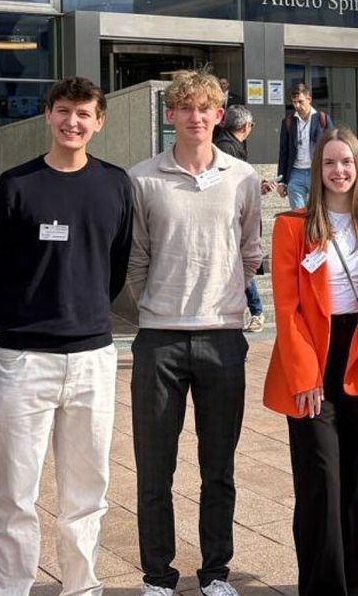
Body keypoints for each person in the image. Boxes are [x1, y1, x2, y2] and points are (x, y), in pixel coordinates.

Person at [0, 76, 134, 596]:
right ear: (48, 115)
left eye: (84, 114)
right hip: (25, 362)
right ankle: (9, 589)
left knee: (88, 491)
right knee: (15, 493)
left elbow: (115, 267)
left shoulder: (114, 184)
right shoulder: (16, 185)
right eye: (64, 111)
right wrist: (19, 325)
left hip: (93, 357)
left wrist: (83, 314)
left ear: (99, 121)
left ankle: (82, 588)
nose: (73, 122)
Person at [128, 69, 263, 596]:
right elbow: (136, 258)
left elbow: (251, 250)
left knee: (219, 466)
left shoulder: (242, 177)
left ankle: (215, 573)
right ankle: (158, 576)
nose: (196, 116)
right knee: (154, 467)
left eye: (206, 108)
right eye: (185, 108)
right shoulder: (142, 178)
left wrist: (224, 299)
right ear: (170, 115)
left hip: (223, 337)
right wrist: (158, 304)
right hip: (159, 338)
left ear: (217, 113)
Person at [263, 127, 358, 596]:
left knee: (356, 483)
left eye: (347, 163)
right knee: (321, 480)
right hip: (311, 359)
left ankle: (357, 584)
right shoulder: (293, 226)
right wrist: (304, 373)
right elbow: (287, 307)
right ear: (316, 170)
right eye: (330, 163)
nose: (339, 171)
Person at [215, 104, 271, 332]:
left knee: (239, 266)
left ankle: (255, 312)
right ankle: (256, 311)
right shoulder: (228, 148)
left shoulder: (225, 145)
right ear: (246, 126)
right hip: (232, 218)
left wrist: (257, 187)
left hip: (232, 216)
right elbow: (233, 186)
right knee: (239, 266)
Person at [277, 83, 332, 208]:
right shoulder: (288, 122)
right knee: (297, 214)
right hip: (295, 173)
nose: (297, 105)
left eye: (300, 101)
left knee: (317, 212)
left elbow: (332, 149)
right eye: (294, 102)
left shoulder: (323, 119)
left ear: (309, 99)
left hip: (316, 172)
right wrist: (281, 181)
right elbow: (283, 152)